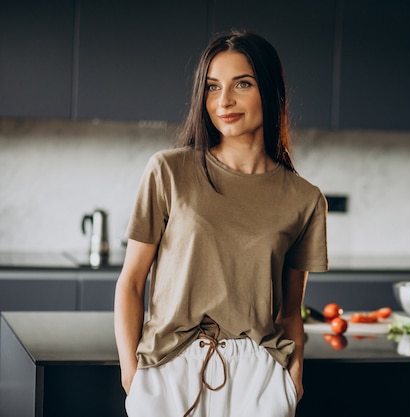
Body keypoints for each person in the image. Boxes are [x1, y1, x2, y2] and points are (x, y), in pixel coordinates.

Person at [114, 30, 328, 417]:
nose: (224, 101)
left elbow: (290, 311)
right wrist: (132, 375)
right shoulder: (169, 171)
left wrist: (292, 378)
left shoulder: (305, 198)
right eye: (213, 87)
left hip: (259, 377)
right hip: (168, 367)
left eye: (241, 84)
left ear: (270, 90)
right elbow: (131, 282)